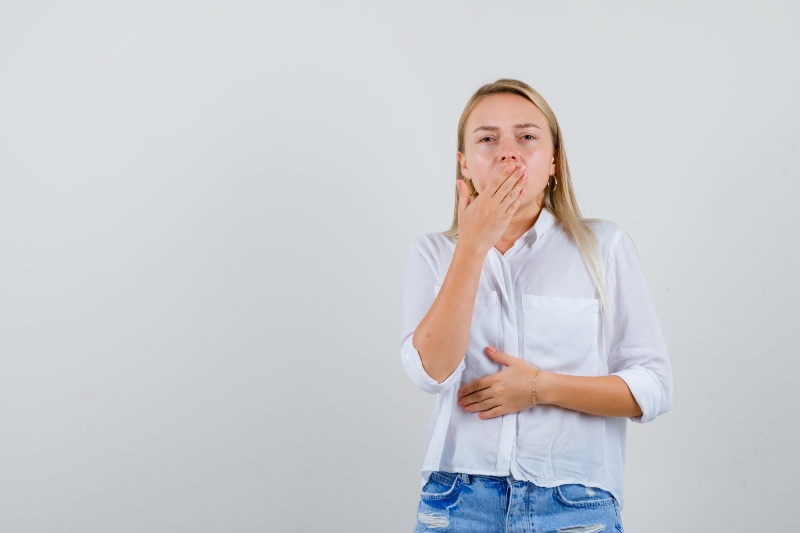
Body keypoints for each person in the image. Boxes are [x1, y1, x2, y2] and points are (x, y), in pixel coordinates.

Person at [400, 79, 672, 532]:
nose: (508, 154)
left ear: (553, 161)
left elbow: (653, 388)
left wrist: (540, 387)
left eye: (526, 137)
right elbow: (430, 372)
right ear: (464, 163)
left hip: (575, 504)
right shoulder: (432, 253)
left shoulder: (603, 247)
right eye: (488, 139)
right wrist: (472, 247)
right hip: (458, 502)